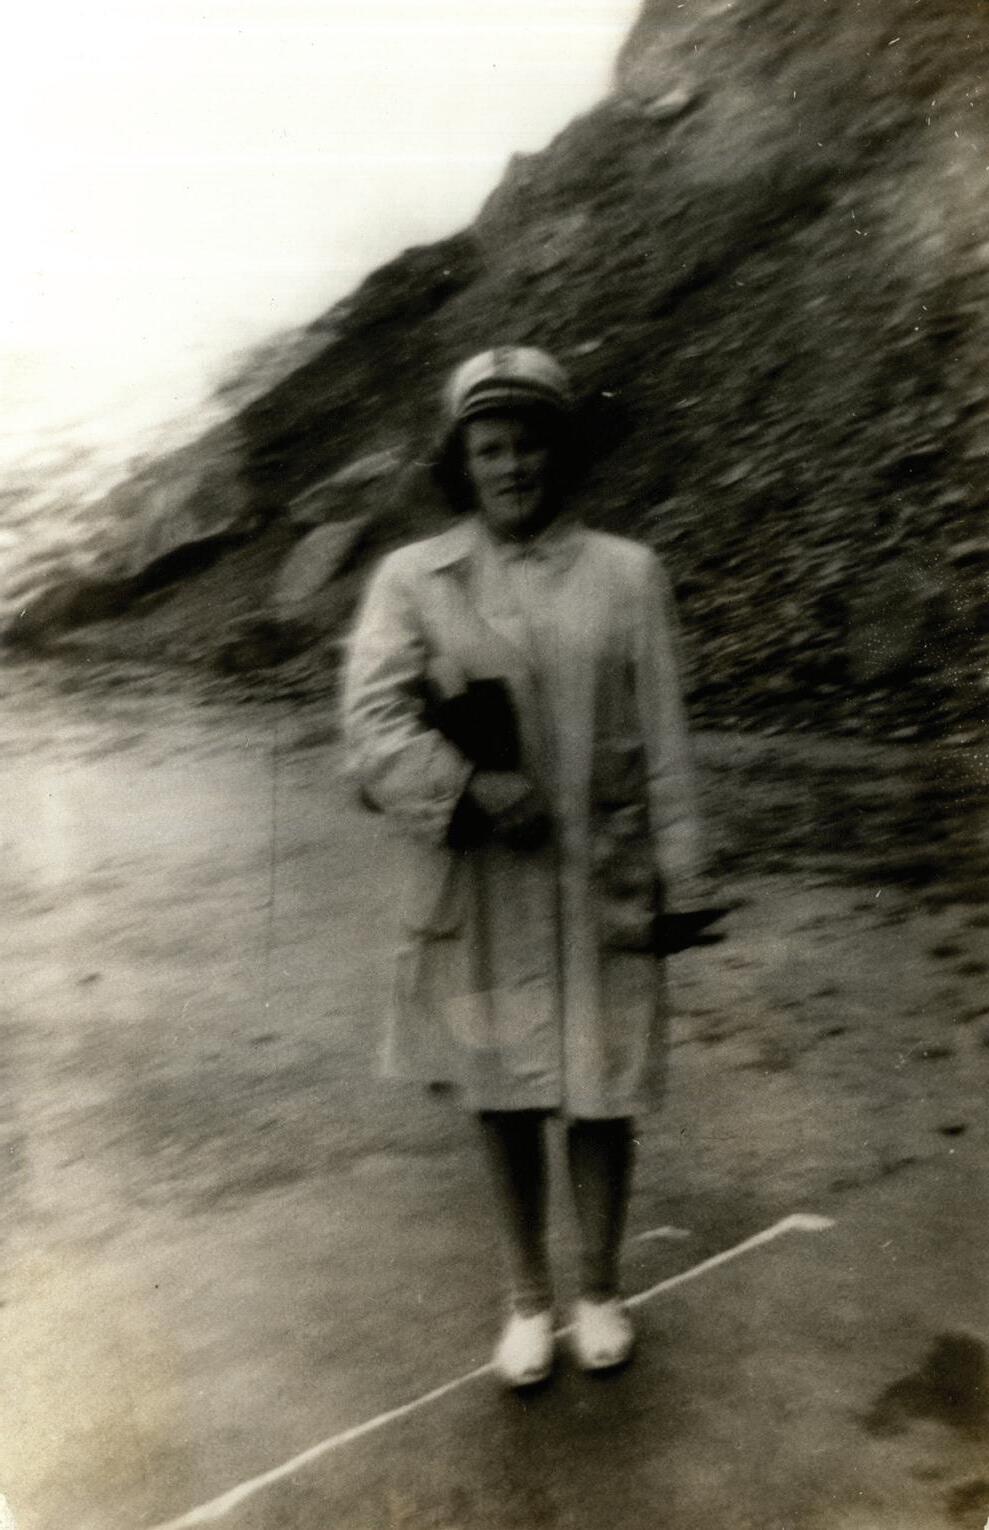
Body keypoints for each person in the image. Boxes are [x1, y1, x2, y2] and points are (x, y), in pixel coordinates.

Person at [342, 346, 703, 1388]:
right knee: (499, 1091)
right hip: (482, 884)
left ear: (561, 452)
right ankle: (526, 1302)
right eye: (490, 449)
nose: (512, 467)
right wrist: (466, 784)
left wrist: (683, 874)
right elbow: (369, 728)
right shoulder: (414, 580)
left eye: (529, 445)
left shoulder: (627, 575)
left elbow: (666, 740)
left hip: (601, 876)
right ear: (462, 464)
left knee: (600, 1091)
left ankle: (598, 1291)